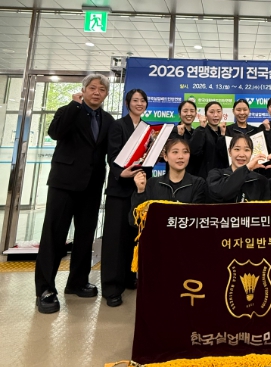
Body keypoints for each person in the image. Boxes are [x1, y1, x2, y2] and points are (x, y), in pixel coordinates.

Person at [35, 74, 115, 314]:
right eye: (92, 88)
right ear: (84, 89)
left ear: (106, 94)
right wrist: (74, 105)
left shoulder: (108, 120)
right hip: (64, 183)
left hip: (92, 186)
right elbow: (55, 132)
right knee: (54, 235)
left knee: (85, 235)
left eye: (102, 89)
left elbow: (111, 150)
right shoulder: (68, 110)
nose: (97, 92)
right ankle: (45, 289)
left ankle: (77, 282)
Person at [101, 89, 149, 308]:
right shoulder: (118, 125)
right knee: (115, 240)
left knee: (133, 236)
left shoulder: (147, 128)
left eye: (143, 100)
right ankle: (111, 288)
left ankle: (130, 277)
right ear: (128, 103)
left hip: (139, 189)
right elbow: (112, 156)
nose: (139, 103)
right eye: (135, 100)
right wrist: (121, 173)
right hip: (120, 189)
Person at [132, 137, 207, 210]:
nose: (180, 156)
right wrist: (141, 191)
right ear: (165, 157)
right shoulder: (152, 183)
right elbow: (136, 216)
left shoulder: (198, 183)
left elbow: (198, 214)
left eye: (185, 152)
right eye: (175, 152)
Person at [207, 134, 270, 203]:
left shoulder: (260, 180)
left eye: (246, 150)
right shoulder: (216, 175)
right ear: (229, 152)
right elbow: (221, 193)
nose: (241, 154)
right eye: (237, 149)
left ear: (251, 153)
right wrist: (246, 168)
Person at [189, 101, 228, 179]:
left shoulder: (225, 131)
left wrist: (223, 134)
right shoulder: (200, 130)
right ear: (206, 115)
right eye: (212, 112)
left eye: (218, 111)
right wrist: (201, 128)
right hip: (204, 177)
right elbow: (194, 151)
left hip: (221, 177)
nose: (215, 115)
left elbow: (225, 155)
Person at [169, 100, 198, 174]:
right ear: (179, 114)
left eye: (192, 111)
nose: (189, 114)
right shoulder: (172, 131)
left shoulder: (197, 133)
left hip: (194, 175)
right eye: (185, 111)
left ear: (196, 114)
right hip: (175, 175)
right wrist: (179, 135)